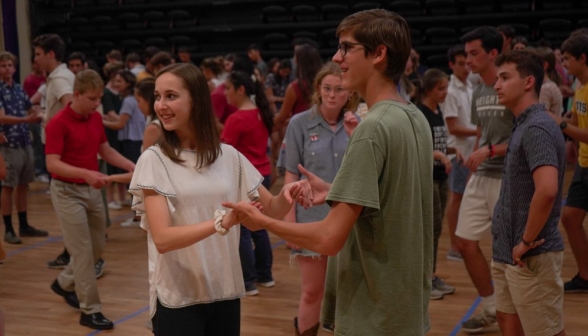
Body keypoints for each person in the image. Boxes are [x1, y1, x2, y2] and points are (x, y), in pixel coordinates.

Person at [224, 9, 433, 335]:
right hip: (406, 305)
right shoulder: (414, 116)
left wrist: (263, 221)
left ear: (379, 54)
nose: (338, 57)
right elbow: (394, 198)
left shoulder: (372, 128)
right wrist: (338, 189)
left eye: (347, 48)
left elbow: (327, 238)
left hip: (374, 313)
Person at [128, 62, 307, 335]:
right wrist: (222, 222)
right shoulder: (154, 160)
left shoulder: (229, 156)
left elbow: (270, 210)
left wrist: (288, 193)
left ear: (197, 101)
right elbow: (163, 239)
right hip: (178, 295)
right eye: (157, 96)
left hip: (224, 290)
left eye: (171, 96)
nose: (160, 105)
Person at [46, 69, 135, 330]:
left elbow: (104, 150)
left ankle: (63, 283)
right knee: (83, 252)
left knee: (97, 247)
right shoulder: (57, 123)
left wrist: (132, 166)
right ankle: (90, 310)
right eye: (92, 98)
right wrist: (85, 173)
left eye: (99, 99)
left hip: (92, 189)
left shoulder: (95, 119)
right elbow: (53, 164)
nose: (97, 104)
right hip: (67, 191)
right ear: (76, 95)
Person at [493, 49, 566, 336]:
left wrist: (526, 240)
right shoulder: (524, 124)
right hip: (509, 251)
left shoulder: (537, 126)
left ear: (528, 82)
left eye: (505, 77)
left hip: (531, 254)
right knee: (508, 322)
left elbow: (547, 190)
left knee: (545, 331)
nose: (497, 84)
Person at [282, 62, 359, 335]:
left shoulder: (359, 125)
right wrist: (289, 219)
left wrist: (354, 134)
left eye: (339, 89)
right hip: (310, 220)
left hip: (349, 220)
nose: (332, 94)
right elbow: (291, 173)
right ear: (318, 90)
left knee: (347, 291)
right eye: (327, 88)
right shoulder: (299, 124)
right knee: (312, 291)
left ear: (349, 93)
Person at [455, 27, 514, 334]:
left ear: (493, 54)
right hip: (482, 176)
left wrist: (491, 150)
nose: (468, 60)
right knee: (464, 242)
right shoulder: (478, 91)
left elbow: (527, 136)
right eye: (466, 54)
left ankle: (514, 313)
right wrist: (474, 167)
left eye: (473, 53)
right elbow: (480, 135)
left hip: (508, 176)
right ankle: (490, 307)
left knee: (510, 253)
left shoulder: (513, 86)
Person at [221, 60, 275, 296]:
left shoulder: (236, 119)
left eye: (228, 89)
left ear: (240, 90)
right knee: (260, 227)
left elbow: (223, 154)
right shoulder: (260, 112)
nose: (225, 93)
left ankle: (248, 282)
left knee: (242, 229)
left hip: (245, 178)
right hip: (264, 174)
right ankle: (265, 276)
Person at [415, 68, 462, 300]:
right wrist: (441, 156)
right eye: (440, 89)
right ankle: (424, 278)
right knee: (430, 229)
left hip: (441, 176)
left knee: (436, 229)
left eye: (446, 88)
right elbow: (419, 148)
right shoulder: (419, 113)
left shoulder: (437, 110)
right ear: (428, 90)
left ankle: (431, 276)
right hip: (428, 177)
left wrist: (453, 150)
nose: (445, 93)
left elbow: (439, 142)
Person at [550, 34, 588, 292]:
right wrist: (572, 144)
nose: (563, 64)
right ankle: (586, 277)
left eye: (567, 59)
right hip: (584, 165)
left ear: (583, 58)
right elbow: (576, 119)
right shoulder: (579, 85)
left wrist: (560, 123)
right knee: (570, 218)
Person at [0, 51, 46, 244]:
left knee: (23, 184)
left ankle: (24, 225)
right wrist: (26, 119)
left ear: (15, 68)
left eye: (10, 65)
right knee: (8, 186)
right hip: (8, 143)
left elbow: (30, 107)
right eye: (3, 66)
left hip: (24, 140)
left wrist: (43, 112)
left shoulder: (19, 89)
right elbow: (1, 117)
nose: (7, 69)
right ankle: (9, 229)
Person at [440, 45, 477, 262]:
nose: (466, 68)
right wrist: (478, 131)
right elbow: (453, 127)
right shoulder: (451, 92)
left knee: (464, 199)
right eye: (460, 64)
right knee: (457, 198)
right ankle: (454, 246)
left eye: (467, 63)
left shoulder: (469, 87)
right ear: (451, 65)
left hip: (471, 150)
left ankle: (461, 242)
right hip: (458, 152)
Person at [536, 47, 564, 115]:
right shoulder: (548, 85)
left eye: (534, 63)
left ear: (544, 65)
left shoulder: (545, 88)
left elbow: (541, 118)